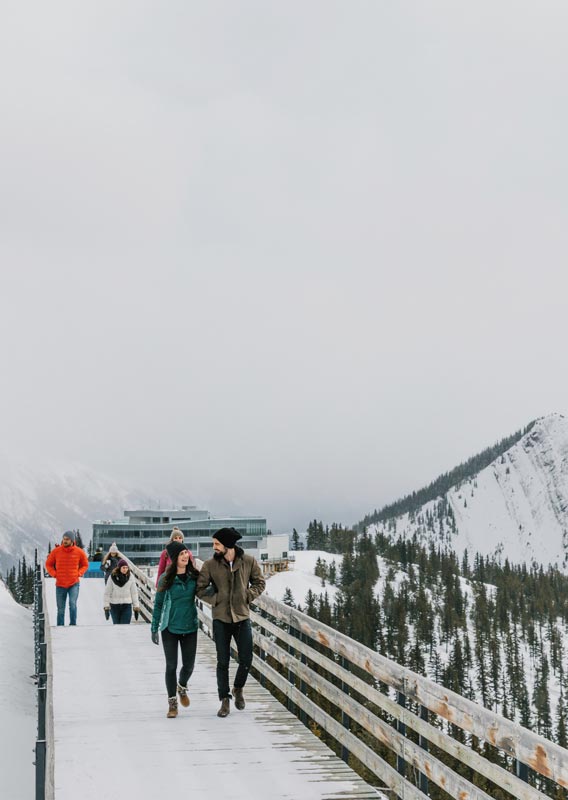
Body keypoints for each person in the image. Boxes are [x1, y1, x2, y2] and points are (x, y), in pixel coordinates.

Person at [196, 527, 265, 718]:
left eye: (217, 544)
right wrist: (216, 599)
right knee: (222, 661)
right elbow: (200, 589)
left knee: (246, 658)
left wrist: (247, 596)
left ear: (228, 544)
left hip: (242, 617)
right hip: (221, 618)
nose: (214, 547)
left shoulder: (248, 561)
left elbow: (260, 582)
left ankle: (238, 688)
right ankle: (224, 699)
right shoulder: (210, 565)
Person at [151, 541, 200, 719]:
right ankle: (172, 702)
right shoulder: (166, 578)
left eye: (186, 552)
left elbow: (205, 591)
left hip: (190, 626)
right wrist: (154, 627)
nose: (186, 556)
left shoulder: (195, 576)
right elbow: (158, 604)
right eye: (181, 554)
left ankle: (182, 686)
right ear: (174, 559)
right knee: (171, 666)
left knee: (189, 666)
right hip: (170, 627)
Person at [45, 531, 89, 626]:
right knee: (60, 608)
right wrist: (54, 574)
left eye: (67, 539)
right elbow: (48, 564)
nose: (65, 541)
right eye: (64, 539)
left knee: (72, 604)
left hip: (74, 583)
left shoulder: (79, 552)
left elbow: (85, 564)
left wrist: (79, 573)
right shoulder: (56, 551)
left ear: (72, 540)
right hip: (60, 584)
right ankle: (60, 627)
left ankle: (73, 625)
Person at [103, 559, 140, 624]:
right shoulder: (112, 577)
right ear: (119, 568)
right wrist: (106, 607)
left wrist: (136, 607)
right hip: (114, 606)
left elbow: (134, 593)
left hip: (126, 605)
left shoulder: (130, 577)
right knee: (117, 626)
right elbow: (107, 593)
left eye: (126, 568)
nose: (125, 569)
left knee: (125, 626)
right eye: (123, 567)